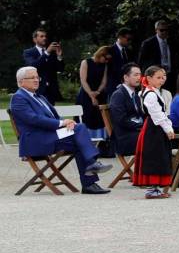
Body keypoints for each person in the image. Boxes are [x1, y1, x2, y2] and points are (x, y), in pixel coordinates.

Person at [10, 66, 110, 194]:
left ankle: (89, 184)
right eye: (32, 78)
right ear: (21, 81)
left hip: (51, 136)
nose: (36, 80)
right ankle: (92, 164)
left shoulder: (40, 97)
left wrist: (67, 123)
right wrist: (62, 123)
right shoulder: (18, 98)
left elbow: (55, 117)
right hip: (36, 140)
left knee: (79, 137)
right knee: (80, 129)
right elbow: (34, 119)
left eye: (37, 77)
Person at [132, 65, 175, 199]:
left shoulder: (152, 91)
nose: (162, 80)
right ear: (149, 78)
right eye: (158, 77)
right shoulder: (150, 94)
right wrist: (168, 128)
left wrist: (168, 125)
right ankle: (152, 189)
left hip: (155, 127)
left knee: (159, 156)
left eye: (163, 77)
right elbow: (157, 113)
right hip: (153, 128)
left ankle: (156, 188)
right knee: (154, 156)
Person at [108, 63, 146, 159]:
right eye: (135, 75)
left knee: (162, 134)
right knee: (156, 138)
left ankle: (172, 172)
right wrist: (142, 127)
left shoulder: (135, 95)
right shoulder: (118, 95)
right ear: (126, 77)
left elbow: (141, 115)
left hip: (136, 133)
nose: (139, 78)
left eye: (140, 74)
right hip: (125, 138)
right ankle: (154, 173)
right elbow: (121, 120)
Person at [77, 45, 113, 138]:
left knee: (100, 118)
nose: (106, 61)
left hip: (99, 93)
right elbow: (83, 80)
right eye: (105, 58)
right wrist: (91, 95)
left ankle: (101, 140)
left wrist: (98, 92)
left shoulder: (104, 65)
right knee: (87, 116)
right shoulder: (86, 62)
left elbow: (104, 81)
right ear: (101, 54)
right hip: (86, 92)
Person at [22, 27, 65, 103]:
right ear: (34, 39)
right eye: (41, 36)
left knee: (50, 113)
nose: (44, 38)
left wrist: (59, 56)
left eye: (45, 36)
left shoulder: (52, 53)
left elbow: (60, 69)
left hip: (51, 91)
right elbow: (33, 66)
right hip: (36, 89)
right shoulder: (28, 52)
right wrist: (46, 53)